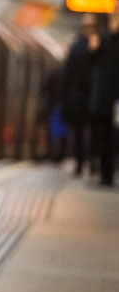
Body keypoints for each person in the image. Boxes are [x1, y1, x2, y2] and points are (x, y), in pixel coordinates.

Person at [86, 10, 119, 187]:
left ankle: (108, 173)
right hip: (103, 98)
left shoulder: (110, 39)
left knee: (112, 135)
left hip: (112, 97)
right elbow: (90, 61)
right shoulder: (103, 38)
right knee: (103, 134)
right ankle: (105, 173)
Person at [61, 15, 95, 176]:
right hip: (93, 98)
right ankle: (92, 162)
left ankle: (79, 164)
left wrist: (65, 98)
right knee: (94, 131)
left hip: (77, 98)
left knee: (78, 132)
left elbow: (67, 75)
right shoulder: (97, 49)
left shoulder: (75, 48)